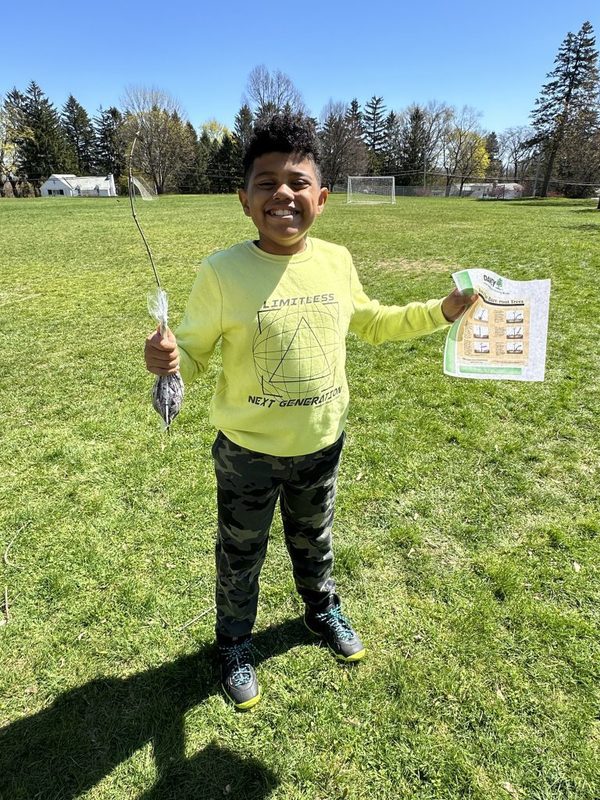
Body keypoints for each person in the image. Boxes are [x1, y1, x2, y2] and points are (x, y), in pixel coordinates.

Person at [144, 112, 476, 710]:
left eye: (298, 182)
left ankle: (321, 610)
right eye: (266, 183)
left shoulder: (336, 260)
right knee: (240, 554)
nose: (283, 194)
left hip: (321, 444)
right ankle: (234, 643)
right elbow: (190, 353)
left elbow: (374, 321)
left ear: (321, 198)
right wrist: (170, 360)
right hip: (247, 452)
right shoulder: (221, 272)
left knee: (314, 540)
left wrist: (442, 311)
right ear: (244, 200)